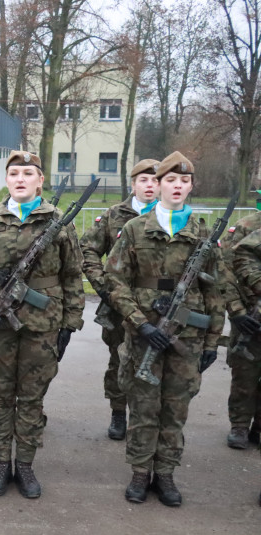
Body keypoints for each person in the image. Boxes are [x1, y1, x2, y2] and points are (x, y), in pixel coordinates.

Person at [0, 150, 84, 498]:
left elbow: (72, 276)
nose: (20, 179)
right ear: (6, 180)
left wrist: (70, 323)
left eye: (28, 173)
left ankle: (24, 465)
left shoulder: (58, 221)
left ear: (41, 180)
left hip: (42, 327)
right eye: (14, 173)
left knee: (32, 398)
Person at [105, 152, 230, 506]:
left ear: (191, 186)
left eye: (184, 181)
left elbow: (215, 290)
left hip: (186, 339)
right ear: (157, 184)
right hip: (145, 335)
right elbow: (115, 281)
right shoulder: (134, 229)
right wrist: (139, 324)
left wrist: (211, 341)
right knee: (144, 407)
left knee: (175, 410)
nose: (177, 187)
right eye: (170, 180)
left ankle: (166, 474)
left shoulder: (202, 233)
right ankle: (140, 473)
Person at [80, 158, 159, 441]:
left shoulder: (171, 217)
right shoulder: (114, 215)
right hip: (118, 305)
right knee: (119, 360)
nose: (150, 186)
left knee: (156, 362)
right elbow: (87, 248)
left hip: (158, 307)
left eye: (155, 180)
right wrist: (101, 285)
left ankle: (147, 418)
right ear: (133, 184)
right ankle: (118, 412)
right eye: (144, 180)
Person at [221, 203, 261, 449]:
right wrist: (235, 310)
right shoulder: (246, 227)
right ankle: (239, 425)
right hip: (250, 314)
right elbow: (224, 269)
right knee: (245, 372)